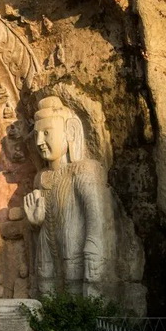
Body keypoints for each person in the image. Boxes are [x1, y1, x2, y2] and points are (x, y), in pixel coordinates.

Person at [23, 96, 117, 297]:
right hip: (47, 251)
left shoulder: (84, 171)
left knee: (79, 297)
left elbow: (97, 219)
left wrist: (94, 252)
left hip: (76, 251)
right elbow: (41, 224)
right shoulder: (41, 178)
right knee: (47, 292)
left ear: (70, 132)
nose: (39, 142)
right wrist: (36, 223)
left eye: (47, 133)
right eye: (36, 135)